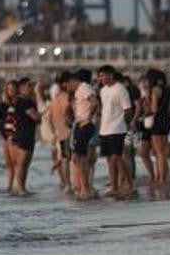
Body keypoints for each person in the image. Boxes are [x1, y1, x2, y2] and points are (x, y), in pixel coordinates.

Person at [97, 65, 134, 198]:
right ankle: (114, 187)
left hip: (118, 129)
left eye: (103, 75)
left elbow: (128, 110)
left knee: (117, 158)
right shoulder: (103, 90)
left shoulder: (120, 89)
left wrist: (125, 124)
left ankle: (128, 184)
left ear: (111, 75)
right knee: (109, 160)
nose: (101, 78)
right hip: (104, 129)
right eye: (99, 76)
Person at [67, 69, 99, 200]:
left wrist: (88, 118)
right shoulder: (81, 89)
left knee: (79, 157)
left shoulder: (84, 87)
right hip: (81, 125)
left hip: (84, 125)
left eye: (69, 82)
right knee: (78, 157)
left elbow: (95, 102)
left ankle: (85, 189)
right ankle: (83, 188)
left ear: (75, 80)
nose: (68, 85)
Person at [11, 78, 40, 195]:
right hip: (23, 134)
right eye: (29, 86)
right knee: (22, 162)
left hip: (28, 133)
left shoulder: (28, 100)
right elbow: (35, 116)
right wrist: (41, 115)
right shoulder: (23, 101)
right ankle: (20, 188)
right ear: (22, 87)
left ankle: (22, 187)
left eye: (31, 85)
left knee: (26, 163)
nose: (31, 88)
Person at [145, 68, 170, 186]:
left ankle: (161, 179)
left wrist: (147, 105)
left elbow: (154, 109)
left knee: (159, 152)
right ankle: (160, 177)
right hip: (166, 120)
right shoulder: (168, 89)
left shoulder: (155, 89)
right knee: (163, 151)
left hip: (157, 121)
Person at [48, 72, 73, 192]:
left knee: (64, 158)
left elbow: (48, 118)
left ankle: (66, 183)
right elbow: (68, 114)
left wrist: (54, 132)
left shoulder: (55, 99)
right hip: (69, 133)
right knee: (73, 159)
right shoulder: (67, 97)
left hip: (60, 134)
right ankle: (72, 184)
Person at [0, 81, 19, 194]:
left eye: (13, 89)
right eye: (9, 89)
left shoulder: (19, 102)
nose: (11, 91)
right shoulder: (5, 104)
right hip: (4, 134)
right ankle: (10, 185)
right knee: (8, 163)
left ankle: (18, 184)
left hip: (14, 134)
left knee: (15, 162)